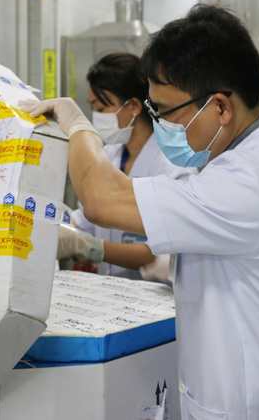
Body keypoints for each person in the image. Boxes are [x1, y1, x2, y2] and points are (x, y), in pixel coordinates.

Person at [22, 4, 259, 419]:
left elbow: (101, 200)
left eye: (165, 112)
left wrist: (76, 123)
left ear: (221, 107)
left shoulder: (254, 180)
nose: (160, 124)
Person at [58, 52, 194, 281]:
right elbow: (88, 219)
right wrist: (52, 224)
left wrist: (88, 247)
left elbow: (162, 253)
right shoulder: (108, 156)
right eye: (92, 108)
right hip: (109, 289)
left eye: (101, 109)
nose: (96, 117)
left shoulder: (173, 167)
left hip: (153, 295)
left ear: (133, 106)